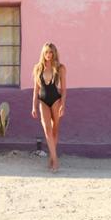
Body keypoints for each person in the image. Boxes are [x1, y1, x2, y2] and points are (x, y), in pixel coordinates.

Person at [31, 42, 66, 172]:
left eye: (51, 52)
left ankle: (51, 158)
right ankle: (55, 160)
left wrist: (63, 104)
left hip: (56, 100)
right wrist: (33, 106)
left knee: (55, 129)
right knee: (47, 130)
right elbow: (36, 90)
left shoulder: (60, 68)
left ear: (54, 53)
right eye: (46, 52)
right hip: (43, 101)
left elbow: (63, 89)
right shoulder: (38, 68)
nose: (49, 55)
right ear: (43, 53)